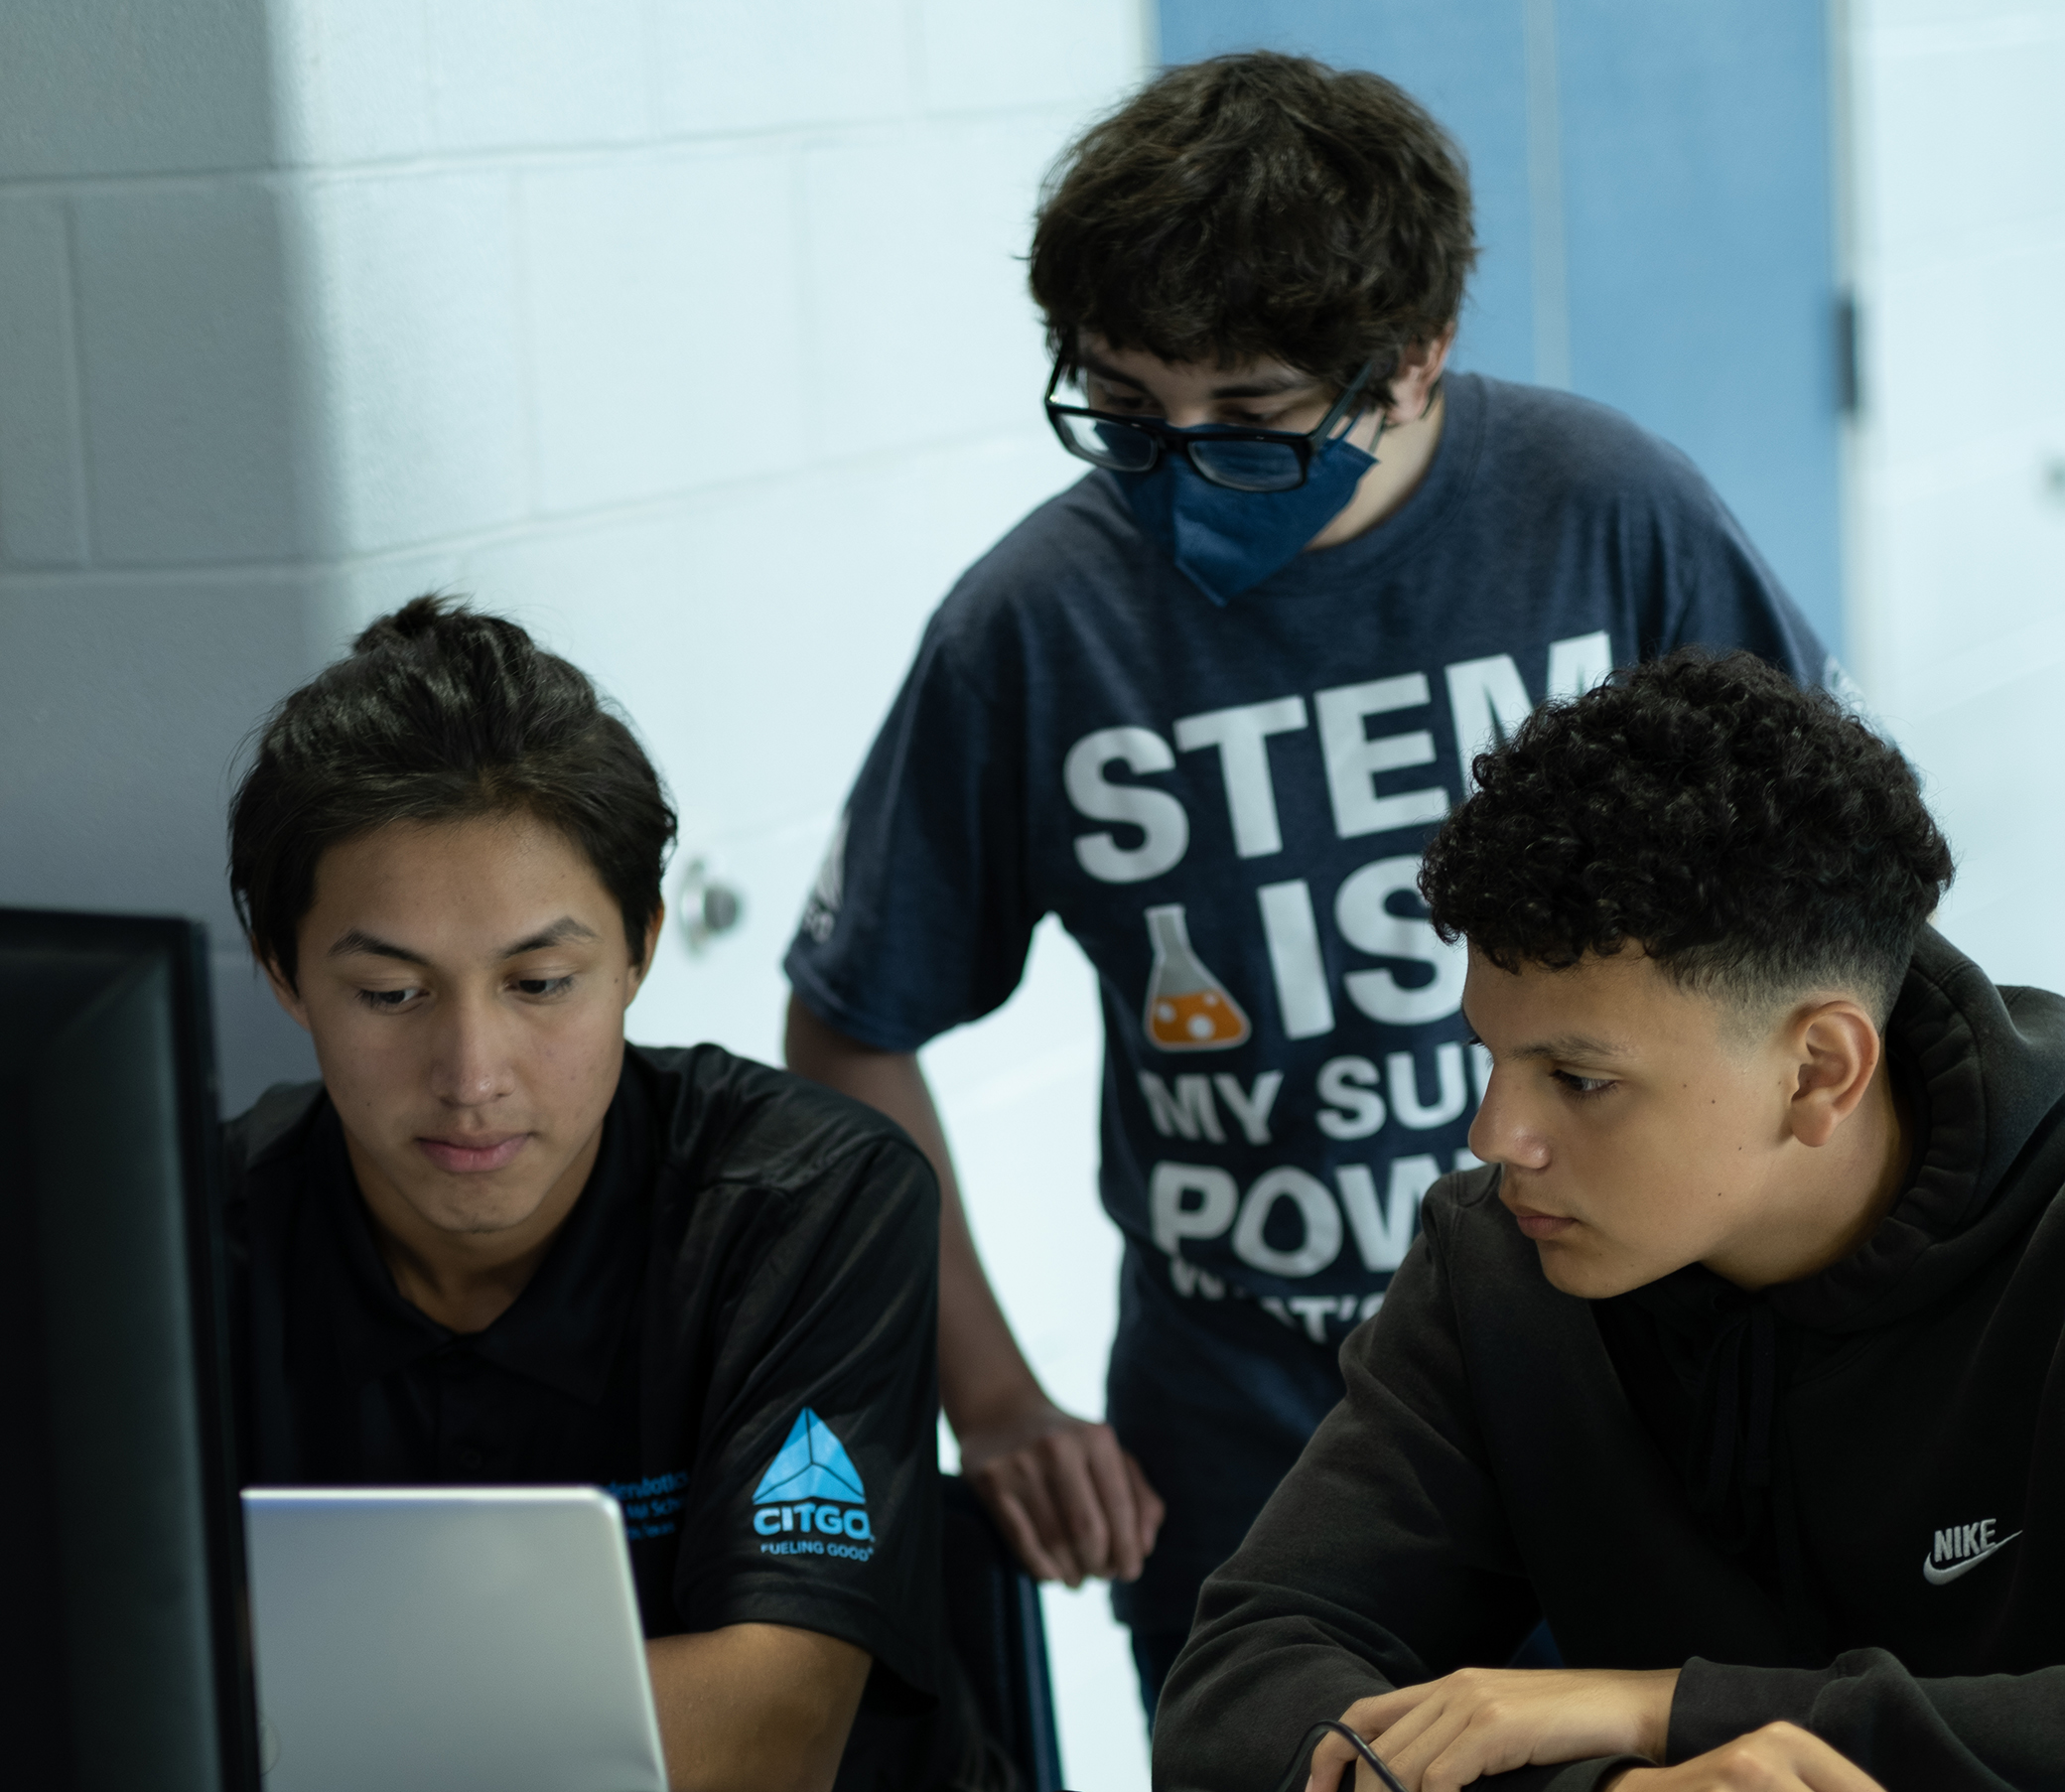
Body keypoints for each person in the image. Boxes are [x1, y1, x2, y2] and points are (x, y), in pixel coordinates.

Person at [782, 51, 1845, 1705]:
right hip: (1248, 1430)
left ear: (1412, 366)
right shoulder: (1039, 623)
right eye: (1124, 412)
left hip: (1647, 1390)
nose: (1180, 470)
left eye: (1256, 422)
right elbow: (850, 1027)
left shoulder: (1608, 516)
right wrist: (987, 1393)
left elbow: (1840, 930)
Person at [1153, 649, 2065, 1792]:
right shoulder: (1495, 1263)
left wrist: (1662, 1706)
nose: (1493, 1137)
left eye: (1577, 1078)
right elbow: (1238, 1692)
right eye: (1490, 1057)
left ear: (1818, 1070)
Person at [223, 598, 996, 1792]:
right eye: (390, 994)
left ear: (638, 946)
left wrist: (285, 1711)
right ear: (282, 971)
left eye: (539, 981)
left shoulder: (807, 1201)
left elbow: (766, 1734)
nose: (472, 1075)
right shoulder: (169, 1242)